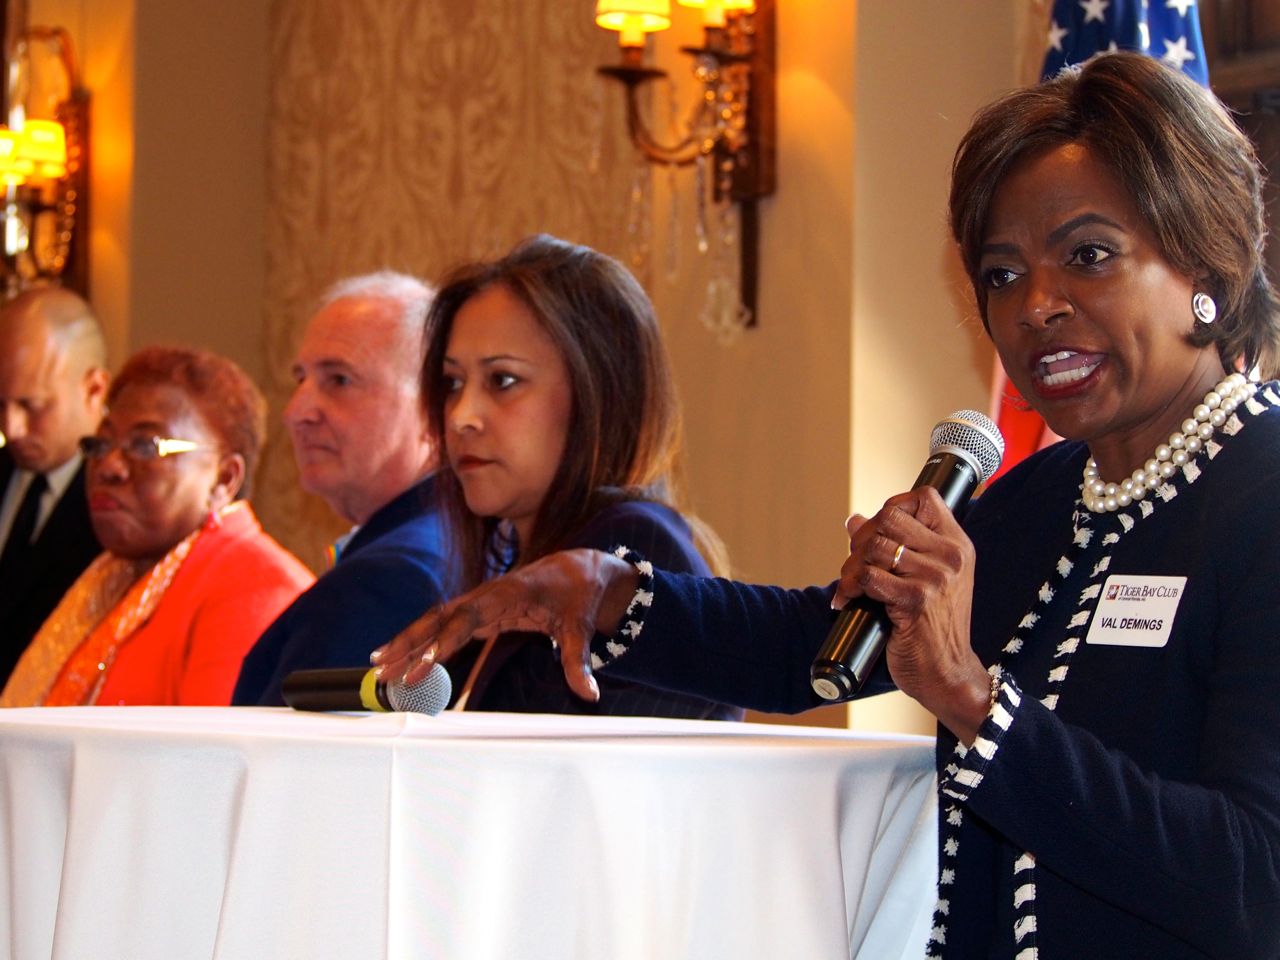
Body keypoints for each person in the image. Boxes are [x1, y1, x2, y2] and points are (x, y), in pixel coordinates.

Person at [374, 54, 1280, 957]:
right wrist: (611, 591)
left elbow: (1252, 881)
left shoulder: (1262, 492)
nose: (1037, 305)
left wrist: (972, 699)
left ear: (1208, 258)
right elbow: (816, 647)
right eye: (1002, 275)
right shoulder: (1049, 497)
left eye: (1088, 255)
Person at [412, 233, 738, 719]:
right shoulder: (514, 561)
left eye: (502, 380)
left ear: (598, 392)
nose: (461, 415)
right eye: (452, 383)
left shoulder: (632, 549)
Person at [0, 345, 313, 707]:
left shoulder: (254, 589)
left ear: (224, 478)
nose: (108, 466)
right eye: (101, 444)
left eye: (146, 446)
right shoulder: (112, 578)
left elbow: (211, 759)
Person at [231, 272, 449, 706]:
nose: (296, 412)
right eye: (301, 379)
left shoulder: (390, 578)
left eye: (339, 380)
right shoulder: (449, 537)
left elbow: (284, 764)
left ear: (430, 408)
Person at [0, 288, 109, 681]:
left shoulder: (125, 502)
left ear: (95, 389)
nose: (12, 428)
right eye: (0, 404)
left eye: (33, 405)